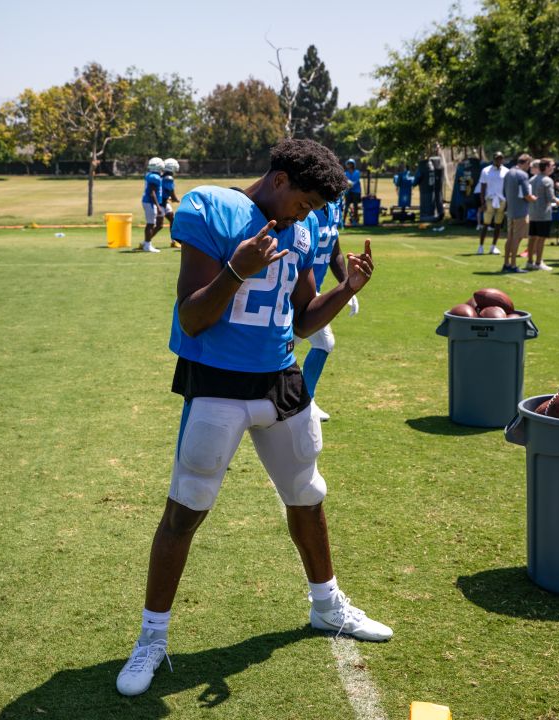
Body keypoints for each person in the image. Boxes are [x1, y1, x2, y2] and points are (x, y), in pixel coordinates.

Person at [116, 138, 391, 698]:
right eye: (304, 201)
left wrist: (346, 290)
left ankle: (326, 604)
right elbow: (192, 318)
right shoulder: (211, 208)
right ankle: (152, 637)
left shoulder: (304, 230)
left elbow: (305, 317)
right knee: (186, 506)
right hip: (216, 378)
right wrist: (235, 272)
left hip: (280, 375)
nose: (306, 214)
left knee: (307, 492)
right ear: (281, 179)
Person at [303, 193, 359, 422]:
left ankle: (303, 401)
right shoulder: (306, 205)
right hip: (296, 288)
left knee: (320, 343)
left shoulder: (334, 205)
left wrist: (346, 286)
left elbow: (334, 250)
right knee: (321, 342)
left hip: (312, 292)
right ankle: (301, 402)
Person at [501, 153, 535, 273]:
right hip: (521, 211)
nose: (529, 167)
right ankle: (513, 265)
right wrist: (535, 199)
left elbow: (503, 192)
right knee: (517, 238)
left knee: (510, 238)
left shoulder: (508, 173)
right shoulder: (523, 175)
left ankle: (506, 263)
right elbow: (526, 195)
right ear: (526, 163)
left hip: (510, 210)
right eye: (529, 164)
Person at [527, 157, 559, 271]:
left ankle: (529, 262)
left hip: (532, 213)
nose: (554, 167)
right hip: (543, 215)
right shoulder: (547, 180)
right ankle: (538, 263)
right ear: (546, 167)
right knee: (541, 239)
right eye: (552, 165)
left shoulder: (532, 179)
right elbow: (551, 198)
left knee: (532, 238)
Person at [474, 151, 508, 255]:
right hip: (489, 200)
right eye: (497, 158)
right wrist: (482, 202)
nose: (499, 160)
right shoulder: (486, 170)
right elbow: (483, 188)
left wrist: (508, 202)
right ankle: (481, 246)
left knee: (498, 224)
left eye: (501, 158)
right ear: (493, 159)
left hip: (502, 200)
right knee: (486, 224)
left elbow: (507, 188)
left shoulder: (506, 171)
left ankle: (493, 246)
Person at [140, 156, 166, 253]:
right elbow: (152, 193)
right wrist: (158, 206)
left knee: (153, 223)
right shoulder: (155, 177)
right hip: (150, 202)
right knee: (150, 224)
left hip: (149, 201)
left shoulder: (150, 175)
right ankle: (147, 245)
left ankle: (146, 243)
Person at [162, 158, 181, 248]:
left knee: (172, 219)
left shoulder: (163, 176)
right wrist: (175, 199)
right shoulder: (168, 178)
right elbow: (171, 191)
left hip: (164, 202)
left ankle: (174, 241)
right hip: (161, 203)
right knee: (157, 224)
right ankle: (146, 242)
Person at [343, 158, 362, 226]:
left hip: (356, 192)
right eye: (348, 164)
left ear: (353, 165)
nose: (349, 165)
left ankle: (355, 221)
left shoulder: (357, 172)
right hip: (348, 192)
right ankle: (343, 221)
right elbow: (345, 181)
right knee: (346, 206)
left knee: (355, 206)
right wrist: (348, 185)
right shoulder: (346, 173)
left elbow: (356, 181)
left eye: (350, 164)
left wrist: (351, 184)